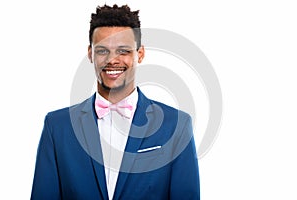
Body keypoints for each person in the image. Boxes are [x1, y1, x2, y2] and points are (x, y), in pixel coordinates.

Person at [31, 4, 200, 200]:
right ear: (90, 54)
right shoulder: (57, 126)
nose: (112, 60)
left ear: (140, 54)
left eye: (123, 51)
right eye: (102, 51)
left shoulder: (176, 125)